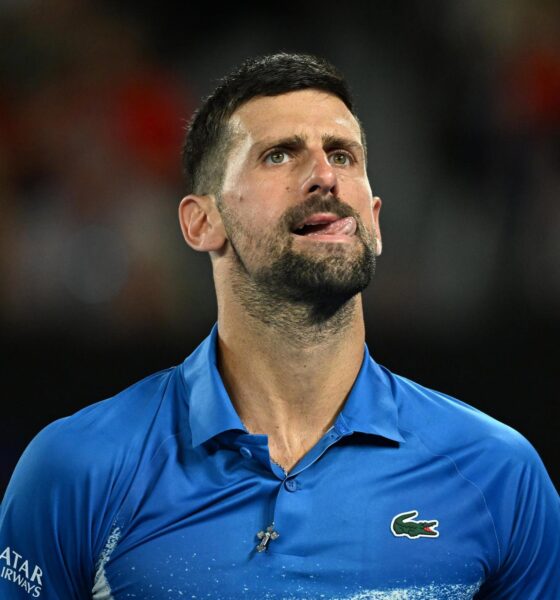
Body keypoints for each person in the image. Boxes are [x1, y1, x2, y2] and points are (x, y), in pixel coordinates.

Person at [0, 53, 558, 600]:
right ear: (202, 221)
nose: (323, 176)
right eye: (279, 155)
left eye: (342, 156)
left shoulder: (496, 474)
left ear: (376, 221)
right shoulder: (77, 469)